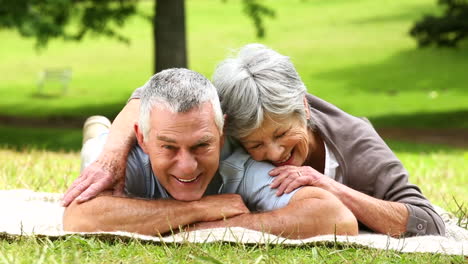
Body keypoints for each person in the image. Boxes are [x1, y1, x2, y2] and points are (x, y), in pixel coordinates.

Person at [63, 44, 444, 237]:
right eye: (255, 143)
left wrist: (330, 186)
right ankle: (99, 133)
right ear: (226, 127)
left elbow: (428, 222)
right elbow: (153, 93)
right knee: (95, 155)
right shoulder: (220, 121)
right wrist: (112, 154)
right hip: (119, 152)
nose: (274, 154)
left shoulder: (356, 142)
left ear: (305, 110)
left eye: (281, 134)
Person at [63, 68, 358, 238]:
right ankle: (98, 129)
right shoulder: (125, 161)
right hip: (104, 147)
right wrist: (201, 208)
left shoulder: (239, 163)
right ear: (143, 138)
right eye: (168, 147)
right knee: (94, 148)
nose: (188, 166)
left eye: (202, 145)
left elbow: (337, 218)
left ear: (221, 133)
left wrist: (211, 227)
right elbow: (79, 220)